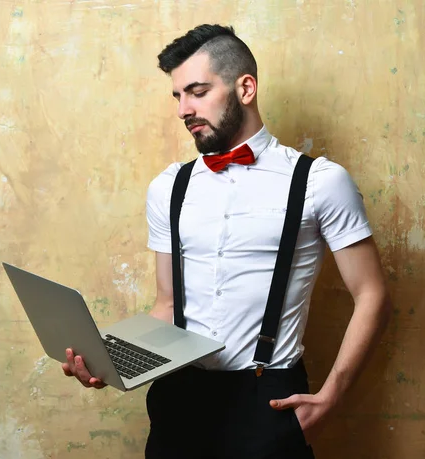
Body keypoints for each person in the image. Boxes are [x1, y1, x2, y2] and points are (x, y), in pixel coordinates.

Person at [62, 24, 391, 458]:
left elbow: (373, 295)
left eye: (197, 91)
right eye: (178, 96)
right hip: (177, 399)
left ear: (246, 88)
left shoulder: (319, 182)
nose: (184, 109)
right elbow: (167, 308)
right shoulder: (169, 187)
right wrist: (109, 359)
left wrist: (332, 396)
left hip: (267, 399)